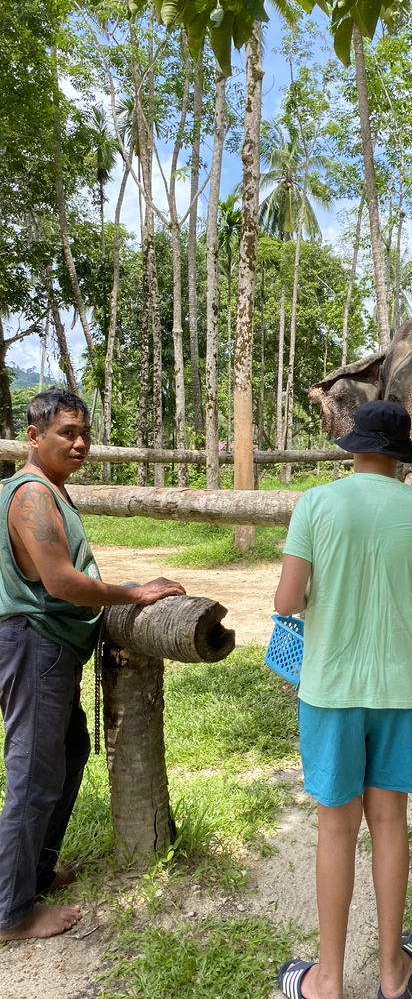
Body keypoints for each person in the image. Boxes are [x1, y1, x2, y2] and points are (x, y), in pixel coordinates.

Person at [274, 400, 412, 999]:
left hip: (329, 690)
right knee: (390, 823)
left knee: (336, 829)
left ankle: (326, 981)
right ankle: (391, 973)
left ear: (353, 446)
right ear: (402, 455)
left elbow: (286, 602)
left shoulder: (317, 502)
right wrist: (409, 580)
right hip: (399, 691)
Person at [0, 389, 186, 941]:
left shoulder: (46, 491)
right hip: (37, 645)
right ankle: (10, 912)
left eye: (85, 433)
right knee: (33, 776)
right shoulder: (33, 495)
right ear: (34, 438)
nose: (81, 443)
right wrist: (134, 593)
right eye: (66, 434)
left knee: (68, 753)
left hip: (48, 647)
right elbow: (59, 581)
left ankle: (34, 873)